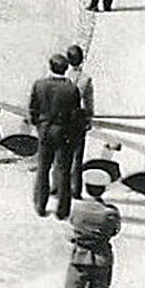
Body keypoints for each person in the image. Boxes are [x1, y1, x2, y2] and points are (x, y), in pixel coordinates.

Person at [52, 169, 121, 288]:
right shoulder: (111, 213)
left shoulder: (77, 208)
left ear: (87, 187)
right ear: (104, 189)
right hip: (102, 261)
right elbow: (115, 231)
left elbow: (72, 226)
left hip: (79, 259)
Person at [29, 54, 83, 220]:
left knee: (43, 168)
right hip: (64, 132)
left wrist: (39, 126)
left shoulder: (39, 85)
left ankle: (40, 205)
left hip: (45, 131)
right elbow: (75, 116)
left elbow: (33, 110)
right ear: (66, 69)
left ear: (50, 67)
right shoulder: (72, 89)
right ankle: (62, 210)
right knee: (63, 171)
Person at [64, 45, 95, 199]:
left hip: (62, 119)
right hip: (78, 120)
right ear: (82, 59)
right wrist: (89, 118)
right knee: (77, 157)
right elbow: (89, 102)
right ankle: (75, 190)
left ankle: (58, 187)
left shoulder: (63, 76)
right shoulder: (86, 78)